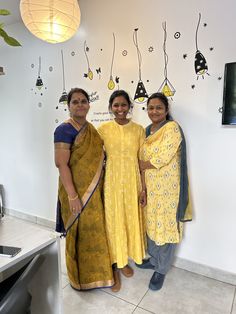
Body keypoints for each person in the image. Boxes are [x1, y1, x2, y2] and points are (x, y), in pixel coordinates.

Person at [54, 87, 114, 290]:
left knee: (94, 230)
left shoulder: (91, 130)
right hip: (74, 192)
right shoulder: (64, 129)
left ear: (89, 104)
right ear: (69, 106)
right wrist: (72, 196)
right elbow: (62, 164)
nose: (80, 104)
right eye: (75, 102)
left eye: (83, 101)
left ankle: (99, 276)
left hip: (94, 192)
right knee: (77, 233)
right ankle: (79, 280)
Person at [137, 92, 192, 291]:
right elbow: (141, 163)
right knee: (151, 224)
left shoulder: (172, 128)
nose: (154, 111)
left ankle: (161, 269)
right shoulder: (145, 132)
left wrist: (141, 164)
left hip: (169, 190)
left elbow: (164, 157)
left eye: (159, 107)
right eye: (151, 108)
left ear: (166, 110)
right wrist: (142, 188)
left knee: (166, 226)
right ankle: (153, 260)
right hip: (150, 189)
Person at [97, 90, 146, 292]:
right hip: (112, 184)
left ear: (129, 107)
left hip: (133, 183)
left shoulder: (139, 130)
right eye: (116, 105)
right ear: (111, 107)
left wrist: (144, 188)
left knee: (127, 221)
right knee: (113, 223)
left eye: (123, 105)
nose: (120, 109)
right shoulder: (103, 130)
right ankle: (113, 268)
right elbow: (96, 158)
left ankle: (123, 260)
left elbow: (142, 161)